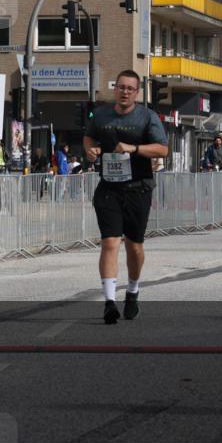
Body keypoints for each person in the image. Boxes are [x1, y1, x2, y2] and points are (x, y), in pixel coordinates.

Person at [84, 70, 168, 325]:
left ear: (137, 92)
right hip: (109, 188)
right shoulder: (101, 115)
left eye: (130, 89)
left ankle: (132, 291)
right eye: (121, 87)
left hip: (138, 188)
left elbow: (163, 148)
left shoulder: (147, 117)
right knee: (110, 243)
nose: (125, 92)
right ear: (115, 88)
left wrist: (134, 148)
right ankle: (109, 302)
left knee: (134, 246)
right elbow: (89, 136)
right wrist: (90, 150)